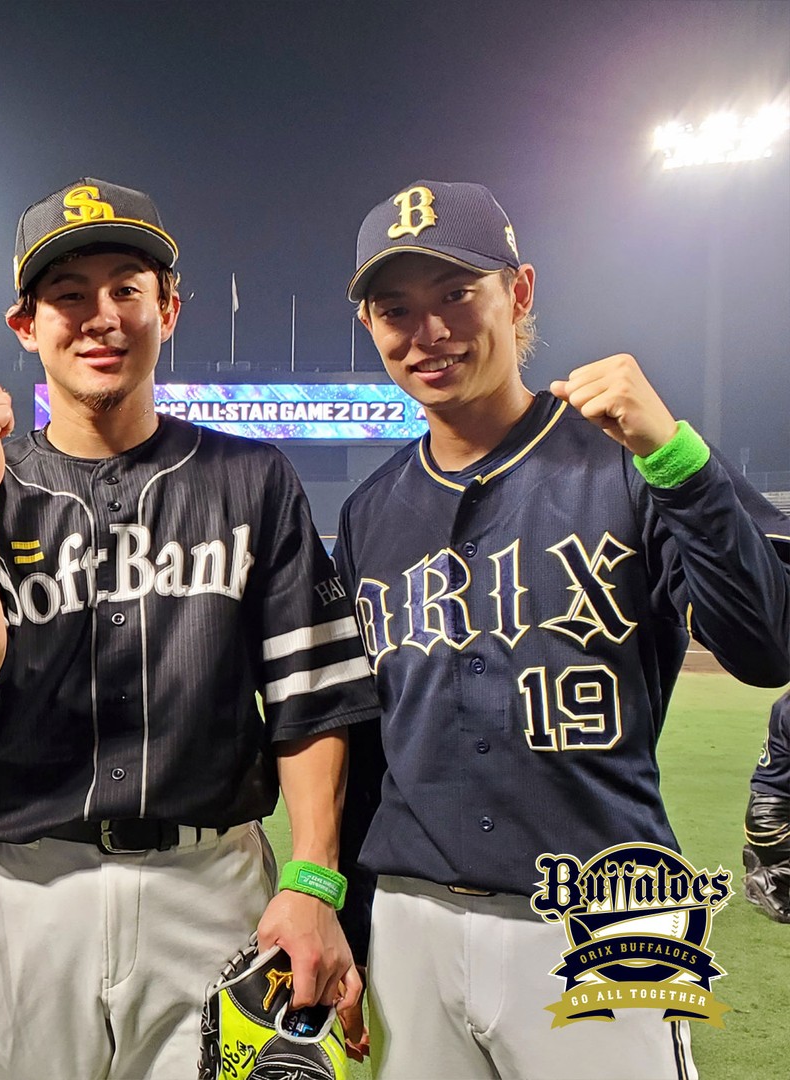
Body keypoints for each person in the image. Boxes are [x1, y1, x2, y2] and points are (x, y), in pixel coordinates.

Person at [0, 177, 379, 1079]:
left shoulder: (252, 480)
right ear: (26, 325)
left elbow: (311, 698)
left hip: (213, 886)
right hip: (35, 888)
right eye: (69, 295)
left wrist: (313, 880)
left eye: (127, 290)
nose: (100, 317)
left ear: (169, 310)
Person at [332, 179, 790, 1079]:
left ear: (520, 292)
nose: (428, 332)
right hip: (411, 919)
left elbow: (766, 646)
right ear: (371, 326)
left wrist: (675, 458)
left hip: (606, 911)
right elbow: (369, 742)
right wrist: (350, 921)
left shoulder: (629, 453)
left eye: (456, 293)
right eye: (396, 309)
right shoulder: (370, 510)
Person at [744, 689, 790, 923]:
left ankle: (763, 860)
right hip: (776, 825)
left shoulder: (785, 702)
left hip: (765, 818)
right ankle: (774, 879)